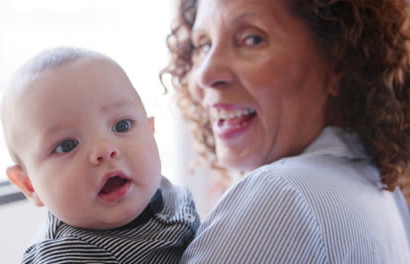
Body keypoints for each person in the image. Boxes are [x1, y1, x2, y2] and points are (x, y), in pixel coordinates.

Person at [162, 0, 410, 262]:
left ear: (339, 61)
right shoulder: (381, 191)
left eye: (252, 39)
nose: (205, 74)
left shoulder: (280, 195)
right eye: (203, 45)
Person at [0, 47, 199, 264]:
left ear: (150, 130)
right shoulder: (67, 256)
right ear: (29, 185)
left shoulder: (164, 191)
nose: (104, 150)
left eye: (122, 125)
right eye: (67, 145)